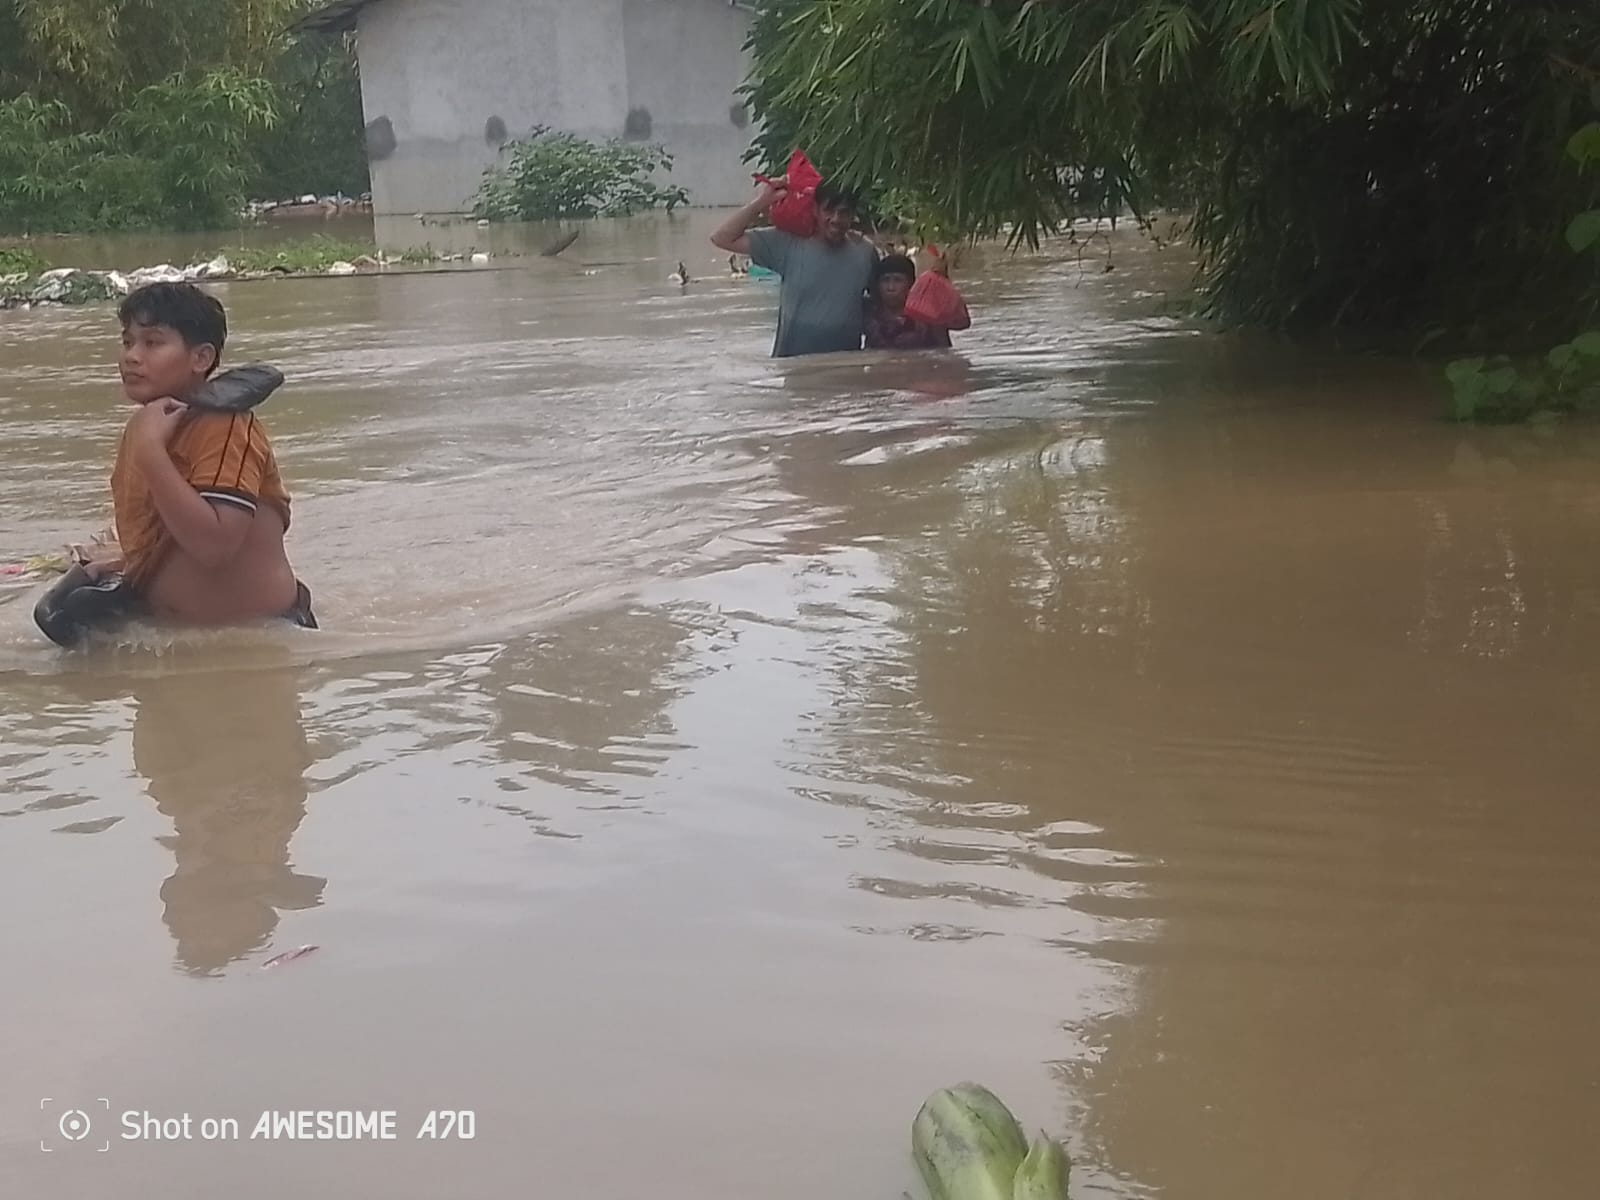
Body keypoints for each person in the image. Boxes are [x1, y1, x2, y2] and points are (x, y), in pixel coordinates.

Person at [33, 282, 315, 646]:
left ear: (201, 358)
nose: (132, 356)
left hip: (257, 641)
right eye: (127, 342)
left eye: (152, 343)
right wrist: (121, 562)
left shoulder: (225, 425)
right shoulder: (149, 425)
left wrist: (151, 451)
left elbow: (215, 547)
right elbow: (159, 536)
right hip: (167, 638)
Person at [711, 180, 879, 357]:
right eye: (829, 211)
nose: (836, 219)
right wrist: (762, 201)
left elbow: (881, 304)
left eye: (844, 213)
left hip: (844, 367)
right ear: (815, 210)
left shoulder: (865, 252)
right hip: (794, 365)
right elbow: (721, 238)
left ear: (853, 215)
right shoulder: (787, 244)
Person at [864, 253, 972, 350]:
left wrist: (940, 284)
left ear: (911, 284)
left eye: (898, 280)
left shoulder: (927, 315)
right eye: (885, 280)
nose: (890, 287)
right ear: (877, 285)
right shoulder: (869, 312)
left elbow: (962, 323)